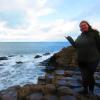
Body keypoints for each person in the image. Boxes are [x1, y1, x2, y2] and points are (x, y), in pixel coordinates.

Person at [66, 20, 100, 95]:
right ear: (80, 28)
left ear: (88, 25)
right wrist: (69, 38)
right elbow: (75, 45)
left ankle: (91, 92)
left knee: (89, 76)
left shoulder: (95, 34)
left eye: (84, 25)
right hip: (81, 60)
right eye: (81, 26)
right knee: (84, 76)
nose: (83, 26)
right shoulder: (80, 36)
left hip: (93, 60)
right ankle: (85, 90)